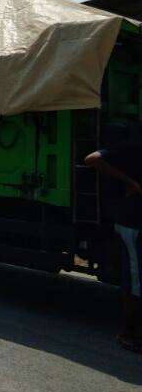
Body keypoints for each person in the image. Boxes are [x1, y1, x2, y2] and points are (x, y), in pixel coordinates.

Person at [85, 136, 142, 353]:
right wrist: (131, 183)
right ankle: (128, 333)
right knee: (136, 279)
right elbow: (92, 159)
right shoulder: (134, 143)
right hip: (133, 222)